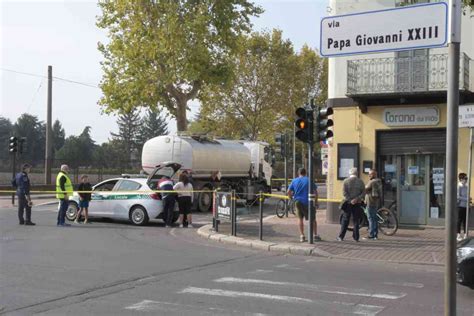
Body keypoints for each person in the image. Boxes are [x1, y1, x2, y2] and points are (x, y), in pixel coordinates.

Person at [287, 168, 320, 243]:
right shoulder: (309, 180)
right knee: (313, 219)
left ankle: (302, 236)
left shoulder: (294, 180)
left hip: (298, 202)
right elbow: (315, 192)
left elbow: (288, 192)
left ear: (298, 173)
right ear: (305, 173)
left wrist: (291, 198)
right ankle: (315, 235)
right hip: (309, 202)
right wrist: (316, 202)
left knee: (300, 219)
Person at [338, 167, 365, 242]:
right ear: (356, 173)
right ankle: (356, 238)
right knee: (356, 220)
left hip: (348, 203)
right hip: (357, 203)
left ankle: (341, 237)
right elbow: (363, 192)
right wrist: (356, 199)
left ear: (350, 173)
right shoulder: (361, 181)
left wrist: (350, 200)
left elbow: (344, 192)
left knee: (345, 219)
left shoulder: (346, 181)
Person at [364, 169, 382, 240]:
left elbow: (365, 189)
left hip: (370, 202)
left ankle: (371, 235)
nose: (369, 175)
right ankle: (375, 235)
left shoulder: (372, 182)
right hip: (375, 201)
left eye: (370, 174)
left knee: (370, 218)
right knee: (374, 219)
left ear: (373, 174)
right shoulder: (379, 181)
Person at [457, 172, 468, 241]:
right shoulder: (459, 186)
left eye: (466, 178)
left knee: (465, 220)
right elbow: (458, 196)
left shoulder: (466, 186)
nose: (466, 180)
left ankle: (465, 234)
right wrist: (466, 199)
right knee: (459, 220)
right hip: (460, 205)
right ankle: (458, 234)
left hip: (465, 205)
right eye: (465, 178)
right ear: (461, 179)